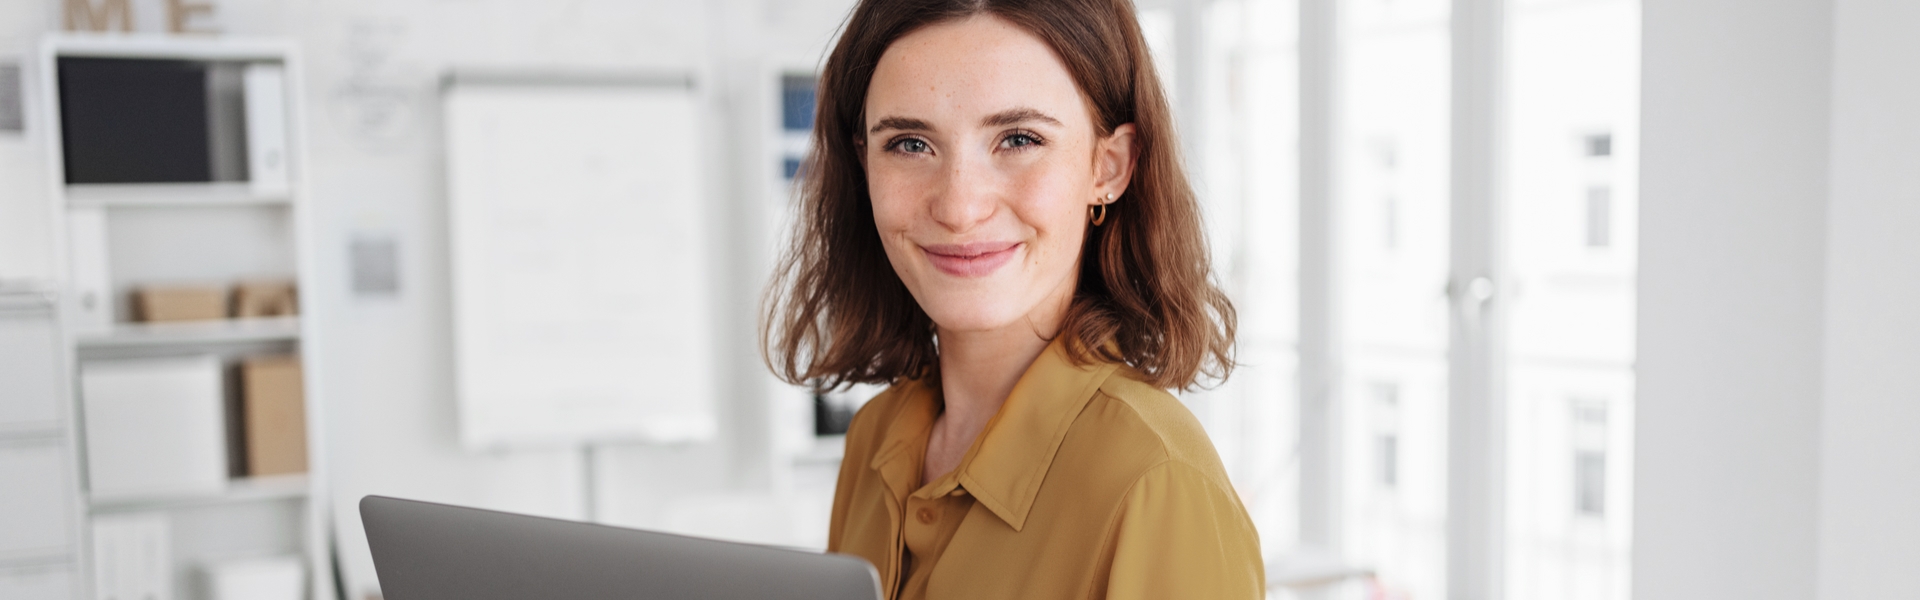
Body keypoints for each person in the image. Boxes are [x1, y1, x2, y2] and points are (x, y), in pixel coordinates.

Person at [762, 0, 1263, 597]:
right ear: (863, 163)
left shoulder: (1158, 481)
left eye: (1018, 138)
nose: (958, 206)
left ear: (1109, 167)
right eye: (909, 144)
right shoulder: (877, 437)